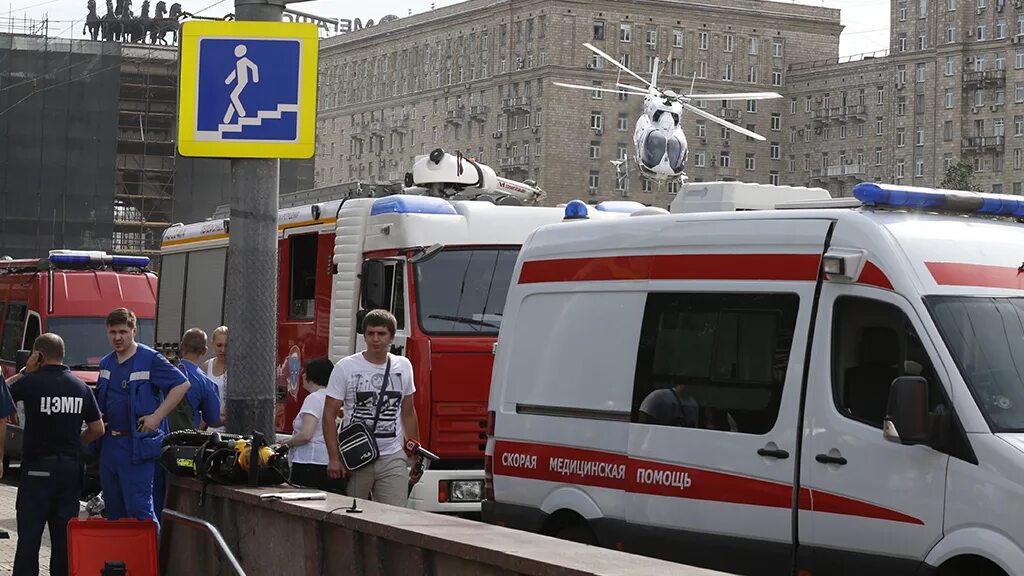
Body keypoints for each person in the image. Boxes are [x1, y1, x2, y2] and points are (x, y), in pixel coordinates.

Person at [8, 334, 104, 576]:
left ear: (38, 355)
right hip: (69, 472)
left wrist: (24, 371)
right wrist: (75, 443)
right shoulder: (80, 387)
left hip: (36, 470)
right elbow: (97, 429)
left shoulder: (31, 382)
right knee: (63, 541)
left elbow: (2, 395)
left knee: (29, 538)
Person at [95, 307, 189, 524]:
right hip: (110, 445)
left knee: (140, 512)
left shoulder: (149, 358)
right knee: (113, 511)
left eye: (123, 332)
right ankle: (120, 558)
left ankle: (147, 558)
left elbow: (182, 384)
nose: (118, 337)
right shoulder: (106, 362)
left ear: (134, 331)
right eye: (113, 332)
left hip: (137, 447)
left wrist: (156, 417)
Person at [323, 310, 421, 507]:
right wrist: (334, 458)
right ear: (364, 336)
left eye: (381, 334)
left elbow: (408, 412)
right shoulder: (346, 367)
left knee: (394, 518)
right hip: (357, 455)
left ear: (392, 337)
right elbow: (328, 415)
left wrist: (414, 452)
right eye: (370, 333)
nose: (375, 339)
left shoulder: (403, 366)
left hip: (392, 456)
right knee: (350, 514)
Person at [153, 328, 223, 518]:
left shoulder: (163, 372)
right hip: (183, 449)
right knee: (178, 501)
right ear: (204, 351)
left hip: (153, 441)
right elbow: (213, 419)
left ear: (181, 348)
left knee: (151, 499)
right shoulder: (206, 383)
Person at [282, 357, 345, 493]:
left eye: (305, 372)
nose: (302, 375)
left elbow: (306, 434)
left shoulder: (314, 399)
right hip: (328, 460)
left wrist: (286, 444)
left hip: (309, 462)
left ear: (311, 376)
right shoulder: (334, 399)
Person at [205, 325, 228, 432]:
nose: (223, 350)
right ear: (212, 344)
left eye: (226, 346)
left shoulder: (236, 368)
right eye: (219, 345)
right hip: (211, 427)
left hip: (230, 428)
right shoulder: (207, 365)